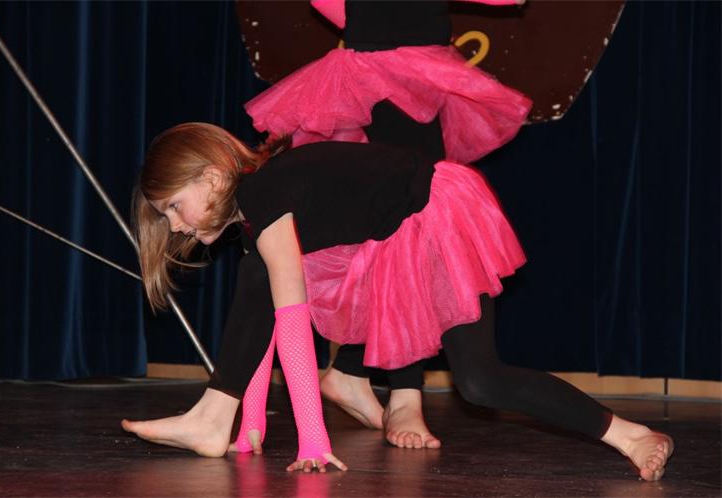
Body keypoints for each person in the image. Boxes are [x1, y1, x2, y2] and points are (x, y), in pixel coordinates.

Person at [122, 123, 673, 480]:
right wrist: (250, 431)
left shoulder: (265, 194)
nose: (177, 227)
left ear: (212, 178)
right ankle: (215, 417)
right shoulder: (255, 214)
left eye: (174, 207)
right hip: (393, 238)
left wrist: (312, 439)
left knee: (481, 381)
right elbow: (261, 317)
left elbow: (292, 320)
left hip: (437, 215)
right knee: (254, 271)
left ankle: (632, 435)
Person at [243, 0, 533, 449]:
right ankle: (402, 392)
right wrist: (375, 22)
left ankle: (354, 371)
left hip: (410, 60)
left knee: (406, 215)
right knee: (412, 215)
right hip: (381, 67)